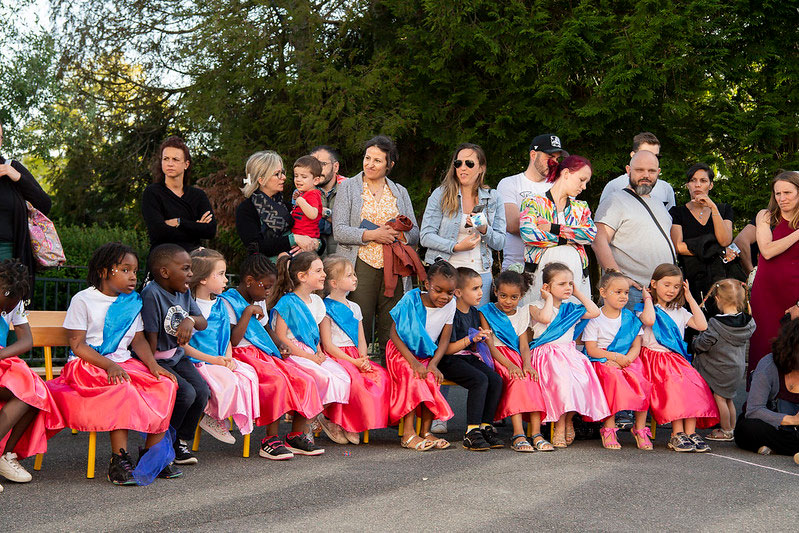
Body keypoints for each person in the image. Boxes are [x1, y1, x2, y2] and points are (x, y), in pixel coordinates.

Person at [47, 243, 180, 485]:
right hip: (87, 365)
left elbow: (138, 340)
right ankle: (118, 460)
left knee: (165, 385)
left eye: (135, 271)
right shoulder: (83, 299)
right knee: (123, 388)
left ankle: (151, 457)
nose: (132, 276)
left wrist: (153, 366)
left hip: (123, 363)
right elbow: (77, 345)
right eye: (125, 270)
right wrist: (109, 365)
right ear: (104, 271)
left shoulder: (132, 302)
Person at [218, 253, 323, 460]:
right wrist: (247, 312)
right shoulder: (228, 302)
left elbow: (266, 328)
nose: (268, 292)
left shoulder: (259, 299)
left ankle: (295, 436)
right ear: (249, 281)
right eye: (265, 287)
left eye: (270, 288)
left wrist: (281, 344)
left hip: (263, 352)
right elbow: (234, 340)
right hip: (242, 355)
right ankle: (269, 440)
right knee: (277, 381)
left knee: (304, 378)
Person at [332, 135, 420, 355]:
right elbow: (339, 230)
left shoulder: (400, 191)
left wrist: (400, 235)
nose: (369, 164)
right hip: (360, 263)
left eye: (377, 160)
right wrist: (373, 234)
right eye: (367, 158)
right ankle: (357, 371)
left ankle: (389, 374)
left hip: (395, 267)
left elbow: (415, 233)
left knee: (391, 326)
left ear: (390, 165)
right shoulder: (348, 188)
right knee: (357, 321)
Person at [268, 252, 352, 450]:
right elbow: (281, 338)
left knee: (342, 378)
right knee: (319, 378)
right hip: (292, 354)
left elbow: (315, 335)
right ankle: (303, 426)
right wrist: (308, 356)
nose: (324, 274)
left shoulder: (317, 302)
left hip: (311, 352)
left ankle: (313, 416)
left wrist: (319, 352)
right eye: (318, 271)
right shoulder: (287, 302)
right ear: (302, 277)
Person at [637, 264, 718, 452]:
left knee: (695, 384)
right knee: (676, 385)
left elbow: (702, 325)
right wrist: (647, 297)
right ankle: (676, 434)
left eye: (676, 286)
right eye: (666, 285)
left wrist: (689, 298)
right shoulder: (645, 308)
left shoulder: (680, 311)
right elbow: (649, 320)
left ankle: (690, 433)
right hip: (653, 359)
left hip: (675, 360)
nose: (671, 290)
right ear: (654, 283)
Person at [141, 243, 210, 466]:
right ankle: (163, 441)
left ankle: (179, 440)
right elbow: (150, 338)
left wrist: (189, 320)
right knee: (185, 393)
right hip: (156, 358)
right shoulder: (152, 294)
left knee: (202, 391)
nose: (191, 274)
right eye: (186, 268)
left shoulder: (185, 292)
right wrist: (152, 370)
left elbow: (202, 322)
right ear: (164, 272)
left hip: (177, 356)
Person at [528, 262, 609, 448]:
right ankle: (559, 426)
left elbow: (595, 311)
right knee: (563, 382)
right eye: (562, 284)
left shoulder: (571, 309)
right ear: (547, 287)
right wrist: (548, 299)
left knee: (583, 382)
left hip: (569, 354)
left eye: (570, 284)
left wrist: (578, 293)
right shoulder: (535, 306)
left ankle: (567, 420)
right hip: (546, 355)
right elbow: (546, 318)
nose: (568, 287)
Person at [185, 248, 260, 446]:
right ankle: (213, 418)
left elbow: (226, 337)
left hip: (219, 359)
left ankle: (218, 418)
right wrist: (214, 361)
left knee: (248, 375)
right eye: (220, 274)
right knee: (227, 379)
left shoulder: (220, 304)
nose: (226, 279)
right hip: (198, 361)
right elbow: (183, 346)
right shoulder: (189, 305)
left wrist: (228, 358)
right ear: (202, 279)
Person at [0, 259, 63, 492]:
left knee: (36, 394)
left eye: (11, 306)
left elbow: (27, 340)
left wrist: (1, 355)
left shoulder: (13, 301)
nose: (6, 311)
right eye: (5, 304)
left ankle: (5, 455)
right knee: (29, 390)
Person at [420, 143, 506, 304]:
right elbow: (425, 236)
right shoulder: (441, 195)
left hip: (481, 274)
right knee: (446, 326)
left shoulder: (493, 198)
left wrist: (484, 228)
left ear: (481, 168)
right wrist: (456, 246)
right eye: (458, 163)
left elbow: (500, 242)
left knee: (476, 326)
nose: (463, 168)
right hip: (448, 274)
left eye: (469, 163)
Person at [386, 260, 457, 451]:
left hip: (426, 354)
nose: (444, 297)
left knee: (431, 377)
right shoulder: (411, 299)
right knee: (415, 376)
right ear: (427, 285)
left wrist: (433, 364)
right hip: (401, 352)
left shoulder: (451, 305)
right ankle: (408, 434)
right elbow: (393, 334)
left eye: (450, 293)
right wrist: (414, 363)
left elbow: (444, 339)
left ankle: (425, 431)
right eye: (438, 290)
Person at [593, 150, 677, 310]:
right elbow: (599, 241)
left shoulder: (659, 204)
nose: (646, 175)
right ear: (628, 170)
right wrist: (617, 278)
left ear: (658, 173)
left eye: (651, 171)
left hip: (661, 293)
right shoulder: (615, 200)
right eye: (640, 170)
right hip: (631, 292)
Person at [319, 256, 390, 443]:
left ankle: (356, 422)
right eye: (349, 275)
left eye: (354, 274)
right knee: (353, 379)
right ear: (334, 283)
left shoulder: (355, 307)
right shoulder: (325, 308)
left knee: (380, 376)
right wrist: (353, 362)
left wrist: (363, 357)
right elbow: (327, 344)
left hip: (355, 355)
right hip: (336, 356)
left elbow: (361, 339)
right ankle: (335, 421)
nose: (355, 278)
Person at [479, 270, 550, 452]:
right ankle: (518, 434)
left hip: (517, 356)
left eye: (514, 297)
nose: (508, 301)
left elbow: (524, 345)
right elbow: (490, 346)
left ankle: (536, 433)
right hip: (498, 359)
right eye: (503, 296)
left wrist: (527, 364)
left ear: (521, 296)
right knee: (517, 381)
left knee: (532, 379)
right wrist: (509, 365)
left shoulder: (522, 313)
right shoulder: (486, 312)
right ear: (495, 291)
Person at [582, 270, 653, 450]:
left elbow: (636, 345)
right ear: (604, 293)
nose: (623, 296)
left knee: (642, 380)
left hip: (627, 358)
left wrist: (627, 359)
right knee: (612, 378)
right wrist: (614, 357)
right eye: (618, 292)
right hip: (602, 359)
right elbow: (591, 349)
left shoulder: (630, 318)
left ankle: (640, 428)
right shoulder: (595, 318)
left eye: (626, 293)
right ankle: (609, 427)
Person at [438, 267, 504, 451]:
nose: (481, 293)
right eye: (475, 288)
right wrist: (470, 339)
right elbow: (447, 349)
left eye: (481, 287)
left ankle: (485, 426)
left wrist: (482, 337)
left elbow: (472, 346)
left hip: (467, 357)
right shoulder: (450, 312)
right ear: (458, 292)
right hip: (448, 360)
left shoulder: (475, 313)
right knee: (479, 380)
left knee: (495, 379)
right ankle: (471, 431)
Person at [519, 155, 596, 305]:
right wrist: (566, 240)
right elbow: (528, 234)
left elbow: (590, 235)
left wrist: (554, 228)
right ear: (566, 173)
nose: (584, 186)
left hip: (575, 278)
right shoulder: (533, 202)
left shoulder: (581, 207)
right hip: (540, 276)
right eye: (582, 180)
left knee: (573, 321)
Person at [749, 172, 799, 377]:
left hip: (793, 297)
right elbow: (767, 251)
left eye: (788, 192)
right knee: (762, 346)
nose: (782, 198)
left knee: (793, 348)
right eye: (778, 193)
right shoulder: (766, 216)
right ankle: (757, 404)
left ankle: (790, 403)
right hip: (765, 295)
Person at [692, 279, 755, 441]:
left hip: (720, 368)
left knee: (719, 398)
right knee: (729, 399)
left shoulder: (715, 323)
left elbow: (705, 343)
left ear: (718, 299)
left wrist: (694, 343)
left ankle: (725, 430)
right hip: (737, 367)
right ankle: (732, 428)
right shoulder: (748, 322)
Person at [669, 163, 736, 310]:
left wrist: (713, 207)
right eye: (693, 180)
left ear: (711, 185)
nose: (697, 185)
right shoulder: (677, 212)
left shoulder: (724, 209)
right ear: (687, 185)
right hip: (691, 278)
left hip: (720, 278)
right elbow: (679, 247)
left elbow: (725, 239)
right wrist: (719, 249)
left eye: (703, 181)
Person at [497, 134, 567, 270]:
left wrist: (532, 223)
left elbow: (571, 224)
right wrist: (557, 230)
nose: (555, 163)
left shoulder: (561, 185)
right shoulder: (510, 183)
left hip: (554, 270)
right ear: (533, 155)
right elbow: (513, 225)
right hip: (518, 269)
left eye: (557, 158)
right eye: (550, 157)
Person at [734, 317, 799, 459]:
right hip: (773, 426)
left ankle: (780, 448)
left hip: (793, 433)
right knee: (747, 429)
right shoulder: (769, 365)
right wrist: (793, 420)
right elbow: (754, 410)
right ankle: (792, 449)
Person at [236, 150, 318, 260]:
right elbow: (256, 246)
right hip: (266, 273)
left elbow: (313, 231)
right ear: (261, 179)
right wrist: (294, 239)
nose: (283, 177)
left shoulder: (287, 206)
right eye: (277, 174)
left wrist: (316, 243)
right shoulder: (246, 209)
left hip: (297, 271)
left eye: (282, 172)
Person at [141, 136, 217, 253]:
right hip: (164, 256)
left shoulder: (198, 195)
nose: (170, 163)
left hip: (194, 257)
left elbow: (210, 231)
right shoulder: (152, 193)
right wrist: (196, 227)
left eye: (175, 159)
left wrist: (179, 222)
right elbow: (158, 233)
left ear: (186, 164)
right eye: (166, 159)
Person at [0, 121, 52, 287]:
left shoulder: (11, 167)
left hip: (7, 257)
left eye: (0, 137)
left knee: (8, 308)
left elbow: (44, 204)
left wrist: (17, 176)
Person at [599, 132, 676, 210]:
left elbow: (670, 220)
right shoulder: (615, 186)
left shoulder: (666, 188)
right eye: (645, 153)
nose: (650, 158)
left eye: (656, 156)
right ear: (633, 155)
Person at [310, 146, 346, 256]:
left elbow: (354, 223)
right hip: (313, 263)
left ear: (335, 167)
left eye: (323, 164)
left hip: (344, 262)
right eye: (313, 164)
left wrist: (323, 213)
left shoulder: (349, 189)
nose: (317, 169)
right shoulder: (302, 192)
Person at [290, 156, 323, 246]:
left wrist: (300, 201)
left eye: (304, 177)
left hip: (307, 238)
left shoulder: (313, 194)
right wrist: (299, 197)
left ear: (316, 180)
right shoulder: (304, 193)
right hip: (298, 236)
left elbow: (313, 214)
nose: (298, 179)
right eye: (296, 175)